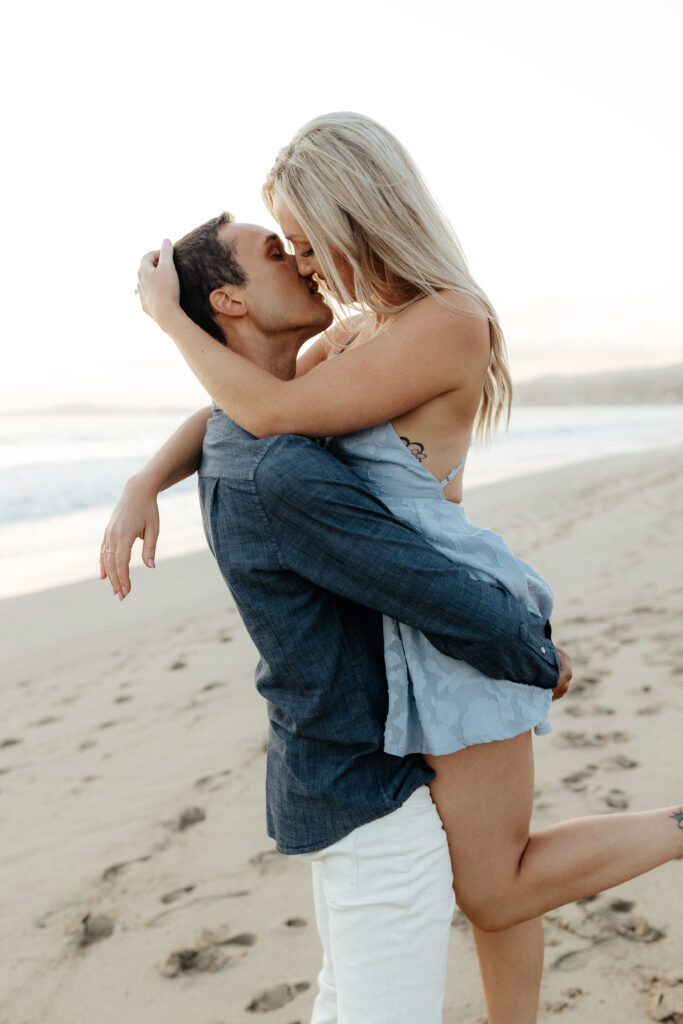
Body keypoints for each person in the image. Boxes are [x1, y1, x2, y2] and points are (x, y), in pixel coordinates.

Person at [128, 112, 683, 1024]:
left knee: (495, 884)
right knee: (496, 872)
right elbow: (246, 403)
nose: (304, 263)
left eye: (306, 241)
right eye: (290, 248)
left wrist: (166, 319)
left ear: (356, 214)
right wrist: (145, 479)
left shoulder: (447, 322)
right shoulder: (352, 334)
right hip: (400, 606)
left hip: (449, 603)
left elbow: (265, 415)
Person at [102, 212, 567, 1024]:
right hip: (369, 793)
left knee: (356, 998)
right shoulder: (277, 458)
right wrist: (533, 649)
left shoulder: (251, 418)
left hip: (334, 770)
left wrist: (144, 479)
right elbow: (431, 591)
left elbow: (230, 407)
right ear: (231, 303)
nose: (304, 262)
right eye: (277, 252)